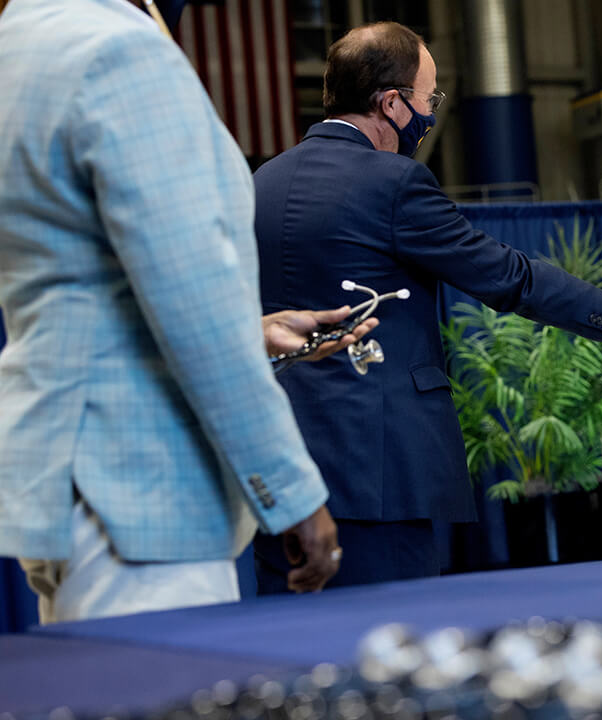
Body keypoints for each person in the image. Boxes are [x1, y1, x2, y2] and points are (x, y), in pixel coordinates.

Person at [250, 22, 602, 591]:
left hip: (277, 471)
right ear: (392, 103)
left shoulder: (260, 183)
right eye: (429, 99)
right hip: (380, 473)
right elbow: (508, 278)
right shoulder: (392, 183)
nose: (430, 111)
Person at [0, 0, 370, 623]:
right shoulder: (119, 50)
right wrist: (294, 492)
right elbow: (192, 298)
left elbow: (81, 278)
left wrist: (247, 333)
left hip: (69, 479)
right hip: (141, 489)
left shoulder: (21, 40)